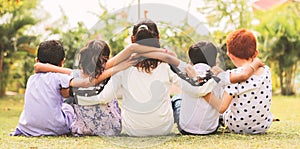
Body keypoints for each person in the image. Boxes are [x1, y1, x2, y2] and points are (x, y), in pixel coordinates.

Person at [78, 19, 217, 137]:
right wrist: (211, 79)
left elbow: (103, 97)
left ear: (132, 39)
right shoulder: (167, 64)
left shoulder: (123, 66)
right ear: (158, 38)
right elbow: (197, 91)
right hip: (163, 128)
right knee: (177, 101)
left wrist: (77, 98)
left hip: (133, 130)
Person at [135, 41, 264, 135]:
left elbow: (172, 63)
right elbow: (240, 77)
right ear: (214, 61)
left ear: (191, 61)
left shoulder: (187, 72)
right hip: (210, 129)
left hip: (186, 128)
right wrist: (255, 64)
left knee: (177, 99)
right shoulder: (220, 75)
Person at [203, 29, 273, 134]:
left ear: (229, 54)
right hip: (262, 126)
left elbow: (221, 107)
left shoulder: (234, 78)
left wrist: (205, 94)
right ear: (256, 53)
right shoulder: (266, 70)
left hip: (237, 126)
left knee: (220, 94)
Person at [11, 40, 77, 136]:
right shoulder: (59, 77)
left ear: (37, 60)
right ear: (62, 62)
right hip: (56, 128)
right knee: (68, 107)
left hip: (27, 128)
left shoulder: (31, 79)